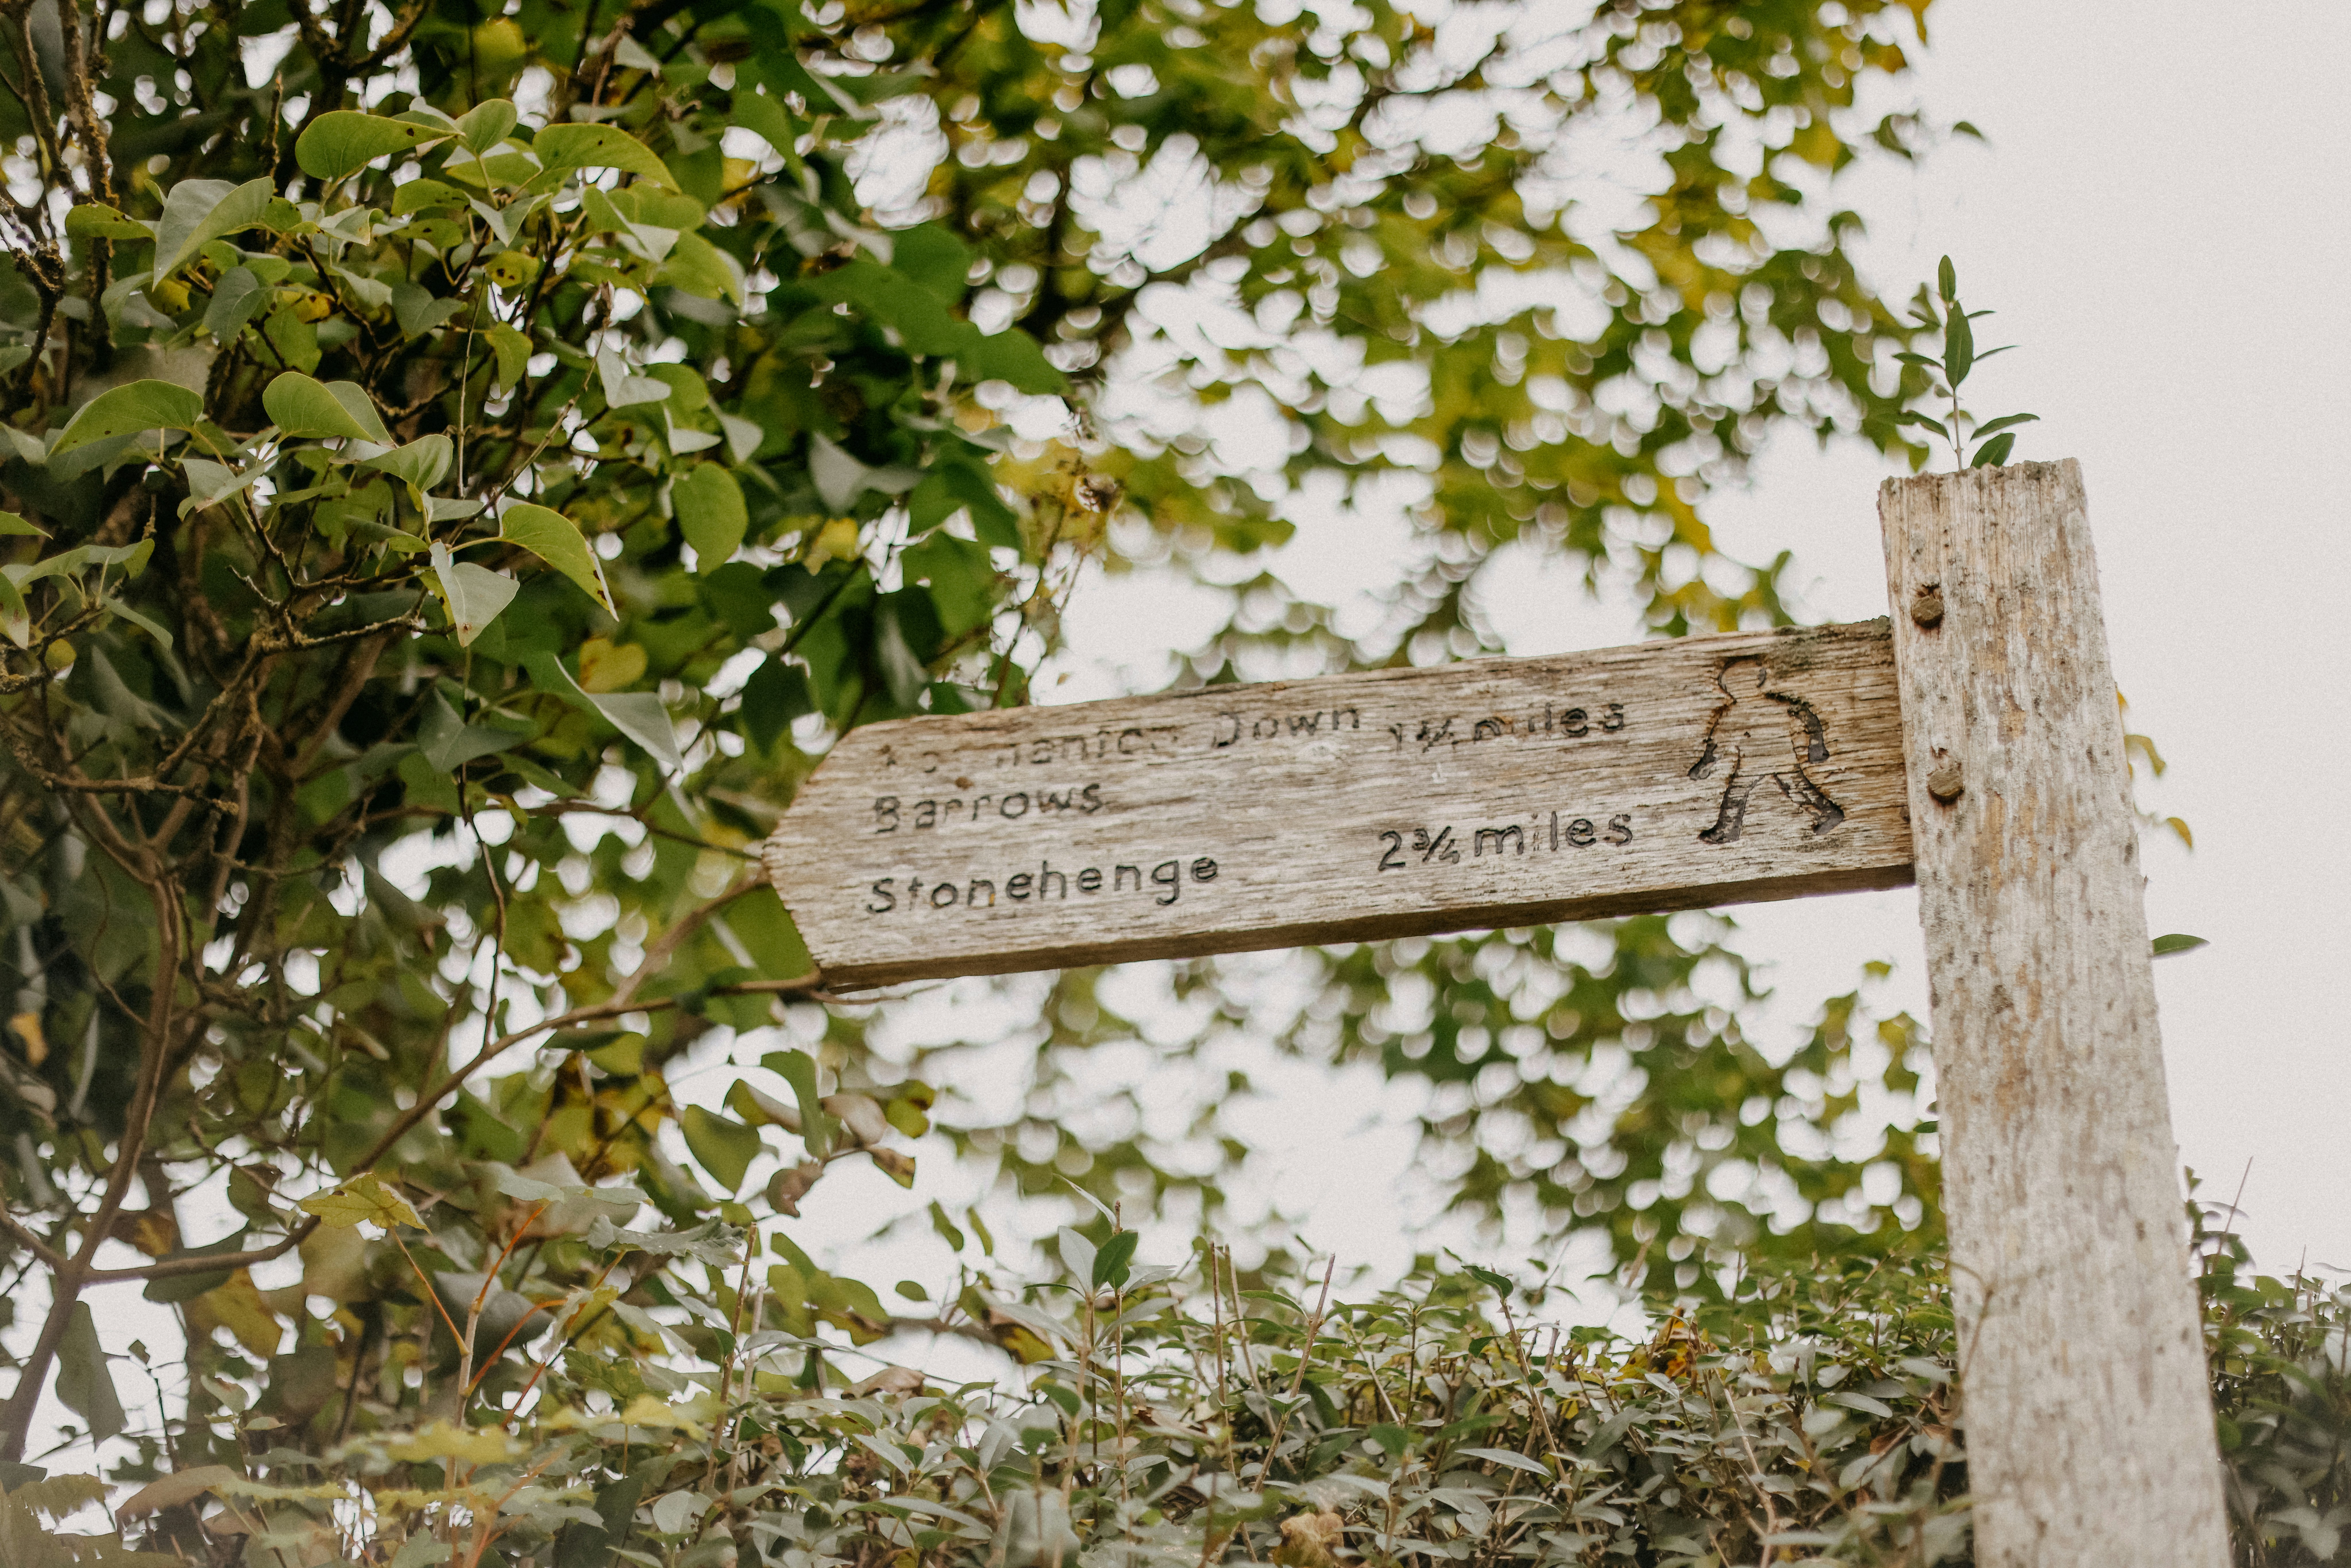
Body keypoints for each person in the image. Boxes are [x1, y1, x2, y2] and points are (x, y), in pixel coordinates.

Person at [1687, 656, 1845, 843]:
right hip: (1780, 760)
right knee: (1797, 790)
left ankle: (1728, 830)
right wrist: (1817, 744)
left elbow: (1717, 747)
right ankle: (1828, 815)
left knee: (1738, 795)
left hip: (1755, 764)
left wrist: (1705, 767)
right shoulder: (1775, 706)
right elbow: (1809, 719)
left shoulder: (1735, 715)